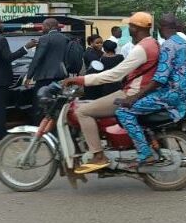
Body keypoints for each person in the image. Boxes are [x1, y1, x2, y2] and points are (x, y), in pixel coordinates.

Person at [62, 12, 159, 173]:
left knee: (83, 111)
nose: (128, 31)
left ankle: (99, 156)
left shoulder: (142, 48)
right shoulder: (153, 43)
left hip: (130, 93)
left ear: (135, 28)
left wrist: (81, 80)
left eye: (130, 27)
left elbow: (114, 75)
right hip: (137, 91)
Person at [114, 14, 186, 167]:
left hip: (171, 95)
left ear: (160, 28)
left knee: (123, 111)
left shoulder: (168, 45)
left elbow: (160, 79)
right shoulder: (184, 43)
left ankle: (145, 152)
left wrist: (134, 97)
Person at [25, 18, 69, 123]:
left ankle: (39, 126)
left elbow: (37, 58)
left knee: (40, 103)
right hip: (60, 75)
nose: (42, 28)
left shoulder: (44, 38)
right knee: (57, 103)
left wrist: (29, 76)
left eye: (43, 26)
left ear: (49, 26)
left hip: (44, 76)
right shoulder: (65, 38)